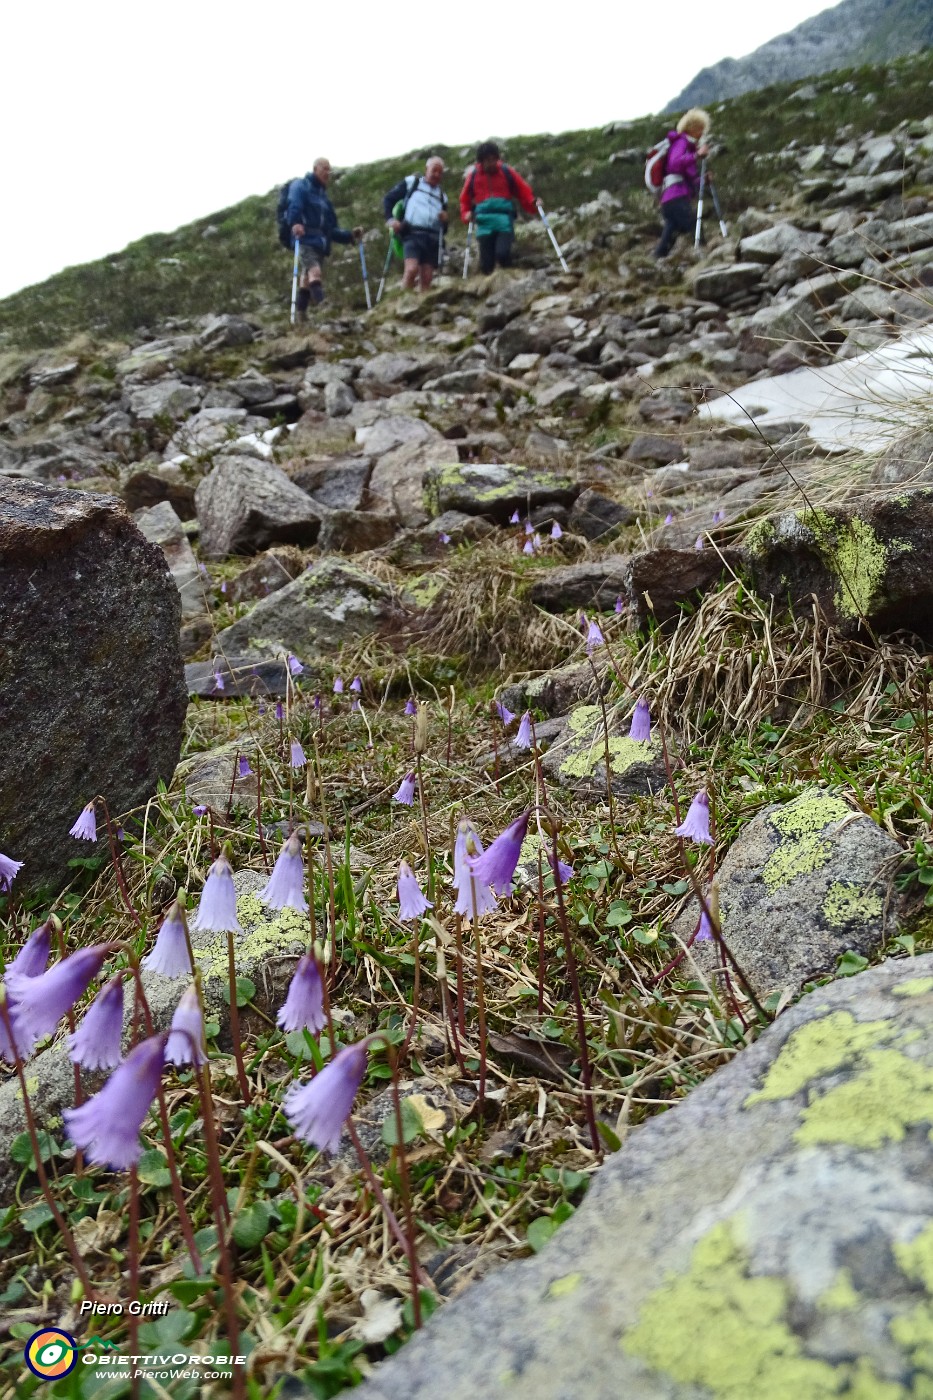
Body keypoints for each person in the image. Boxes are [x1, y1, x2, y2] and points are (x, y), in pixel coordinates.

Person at [286, 158, 363, 318]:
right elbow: (294, 205)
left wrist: (349, 235)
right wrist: (295, 223)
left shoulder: (324, 199)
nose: (328, 173)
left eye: (330, 170)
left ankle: (301, 315)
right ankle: (325, 308)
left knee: (307, 278)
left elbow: (330, 228)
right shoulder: (302, 186)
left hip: (320, 242)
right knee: (315, 272)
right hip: (305, 238)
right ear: (315, 169)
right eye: (325, 169)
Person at [459, 141, 538, 274]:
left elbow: (523, 190)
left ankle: (508, 278)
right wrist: (466, 214)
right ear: (481, 161)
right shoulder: (473, 176)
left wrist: (532, 202)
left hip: (504, 221)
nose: (491, 163)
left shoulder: (506, 171)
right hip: (484, 223)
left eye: (493, 159)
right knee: (487, 264)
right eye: (487, 160)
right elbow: (465, 199)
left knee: (502, 253)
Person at [383, 157, 449, 293]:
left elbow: (445, 229)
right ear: (426, 170)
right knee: (411, 270)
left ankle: (421, 307)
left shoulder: (443, 196)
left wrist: (445, 220)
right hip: (412, 234)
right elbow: (388, 199)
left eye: (440, 172)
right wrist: (390, 220)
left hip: (432, 238)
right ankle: (402, 302)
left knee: (427, 278)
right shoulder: (411, 183)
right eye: (434, 170)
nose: (436, 174)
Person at [653, 109, 711, 259]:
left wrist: (703, 180)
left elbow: (687, 179)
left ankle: (657, 258)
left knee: (670, 231)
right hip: (676, 197)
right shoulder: (681, 143)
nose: (701, 134)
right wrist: (697, 155)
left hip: (670, 199)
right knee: (693, 224)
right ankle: (703, 255)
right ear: (693, 128)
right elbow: (674, 164)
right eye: (700, 130)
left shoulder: (686, 146)